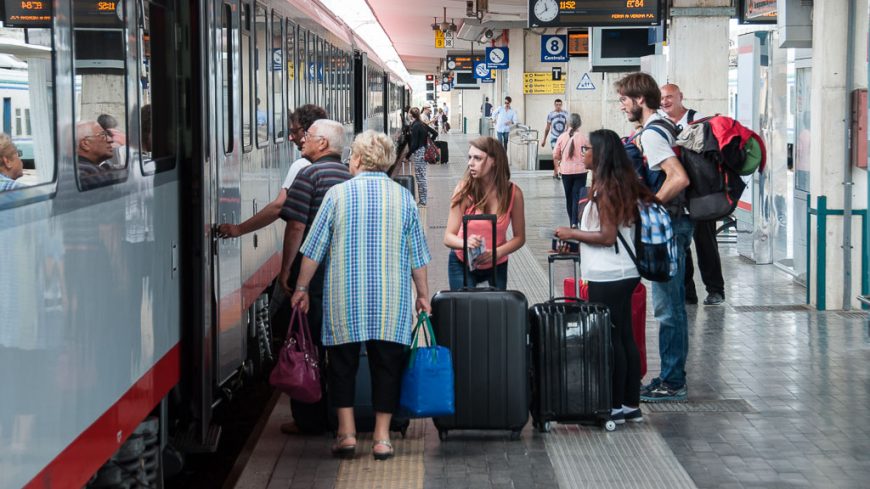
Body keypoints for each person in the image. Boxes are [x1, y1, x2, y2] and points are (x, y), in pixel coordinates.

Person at [290, 130, 431, 461]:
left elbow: (313, 249)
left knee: (341, 366)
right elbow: (418, 255)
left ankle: (347, 434)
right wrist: (422, 295)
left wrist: (301, 288)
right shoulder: (403, 198)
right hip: (390, 299)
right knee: (387, 367)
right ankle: (382, 438)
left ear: (357, 159)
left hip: (345, 297)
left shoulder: (337, 196)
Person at [554, 129, 650, 425]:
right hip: (623, 272)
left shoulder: (607, 188)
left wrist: (572, 233)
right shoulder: (619, 183)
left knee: (610, 339)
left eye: (586, 149)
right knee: (623, 337)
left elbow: (608, 236)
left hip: (609, 275)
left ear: (601, 154)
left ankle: (614, 406)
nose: (582, 153)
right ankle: (629, 403)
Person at [614, 72, 691, 403]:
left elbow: (679, 177)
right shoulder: (661, 125)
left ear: (639, 100)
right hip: (675, 224)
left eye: (624, 101)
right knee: (670, 305)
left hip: (671, 226)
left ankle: (673, 381)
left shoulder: (653, 135)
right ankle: (671, 377)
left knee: (669, 308)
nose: (622, 107)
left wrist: (652, 206)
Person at [277, 119, 352, 435]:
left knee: (305, 346)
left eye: (307, 136)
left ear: (323, 143)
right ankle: (339, 415)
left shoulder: (309, 175)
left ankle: (309, 419)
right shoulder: (350, 175)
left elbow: (296, 227)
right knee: (338, 350)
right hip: (343, 276)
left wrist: (287, 271)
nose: (301, 140)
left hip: (314, 276)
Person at [216, 104, 327, 239]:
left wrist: (239, 229)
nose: (291, 138)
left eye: (294, 132)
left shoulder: (301, 167)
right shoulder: (339, 165)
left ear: (308, 132)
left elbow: (279, 207)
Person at [660, 83, 725, 306]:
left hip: (701, 195)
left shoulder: (699, 121)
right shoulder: (663, 125)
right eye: (662, 99)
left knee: (706, 243)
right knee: (681, 246)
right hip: (678, 196)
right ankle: (688, 293)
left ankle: (715, 290)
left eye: (670, 97)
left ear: (681, 97)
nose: (665, 101)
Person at [443, 137, 526, 290]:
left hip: (497, 264)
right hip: (462, 264)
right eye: (469, 157)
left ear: (494, 161)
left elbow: (520, 237)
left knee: (495, 312)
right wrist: (466, 243)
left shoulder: (513, 193)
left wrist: (497, 252)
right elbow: (448, 237)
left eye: (477, 158)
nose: (470, 163)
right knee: (464, 311)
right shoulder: (464, 190)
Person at [552, 113, 589, 226]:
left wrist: (562, 159)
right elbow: (588, 153)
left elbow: (555, 155)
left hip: (566, 172)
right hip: (581, 171)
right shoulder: (584, 138)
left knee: (569, 197)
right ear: (580, 124)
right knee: (577, 196)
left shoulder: (562, 137)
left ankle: (571, 222)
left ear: (568, 123)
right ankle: (575, 222)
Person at [406, 107, 438, 207]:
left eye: (409, 113)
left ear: (411, 115)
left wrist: (407, 156)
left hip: (419, 153)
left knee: (420, 178)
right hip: (423, 151)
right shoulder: (422, 124)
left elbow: (414, 144)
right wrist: (428, 143)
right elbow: (435, 133)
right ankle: (422, 200)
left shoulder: (415, 126)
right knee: (421, 177)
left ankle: (423, 201)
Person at [76, 120, 115, 188]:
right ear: (85, 144)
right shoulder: (89, 173)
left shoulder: (73, 169)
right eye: (103, 135)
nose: (110, 140)